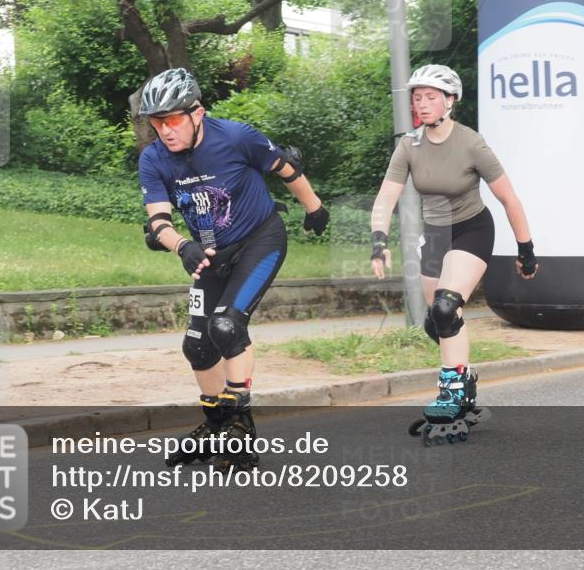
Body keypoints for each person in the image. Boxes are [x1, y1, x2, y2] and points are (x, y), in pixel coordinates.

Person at [137, 67, 329, 471]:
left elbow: (287, 168)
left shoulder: (237, 137)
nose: (165, 131)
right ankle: (215, 425)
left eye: (173, 120)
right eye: (157, 122)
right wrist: (182, 246)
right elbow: (158, 222)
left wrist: (314, 209)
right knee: (197, 345)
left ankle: (240, 423)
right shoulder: (153, 159)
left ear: (197, 113)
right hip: (210, 254)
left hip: (261, 239)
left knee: (226, 325)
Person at [369, 64, 538, 445]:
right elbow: (386, 197)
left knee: (447, 308)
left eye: (430, 97)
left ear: (450, 101)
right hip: (436, 234)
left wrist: (525, 249)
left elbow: (509, 198)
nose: (421, 104)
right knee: (437, 322)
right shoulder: (408, 146)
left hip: (472, 229)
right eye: (417, 98)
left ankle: (452, 392)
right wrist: (378, 241)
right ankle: (465, 379)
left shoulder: (471, 143)